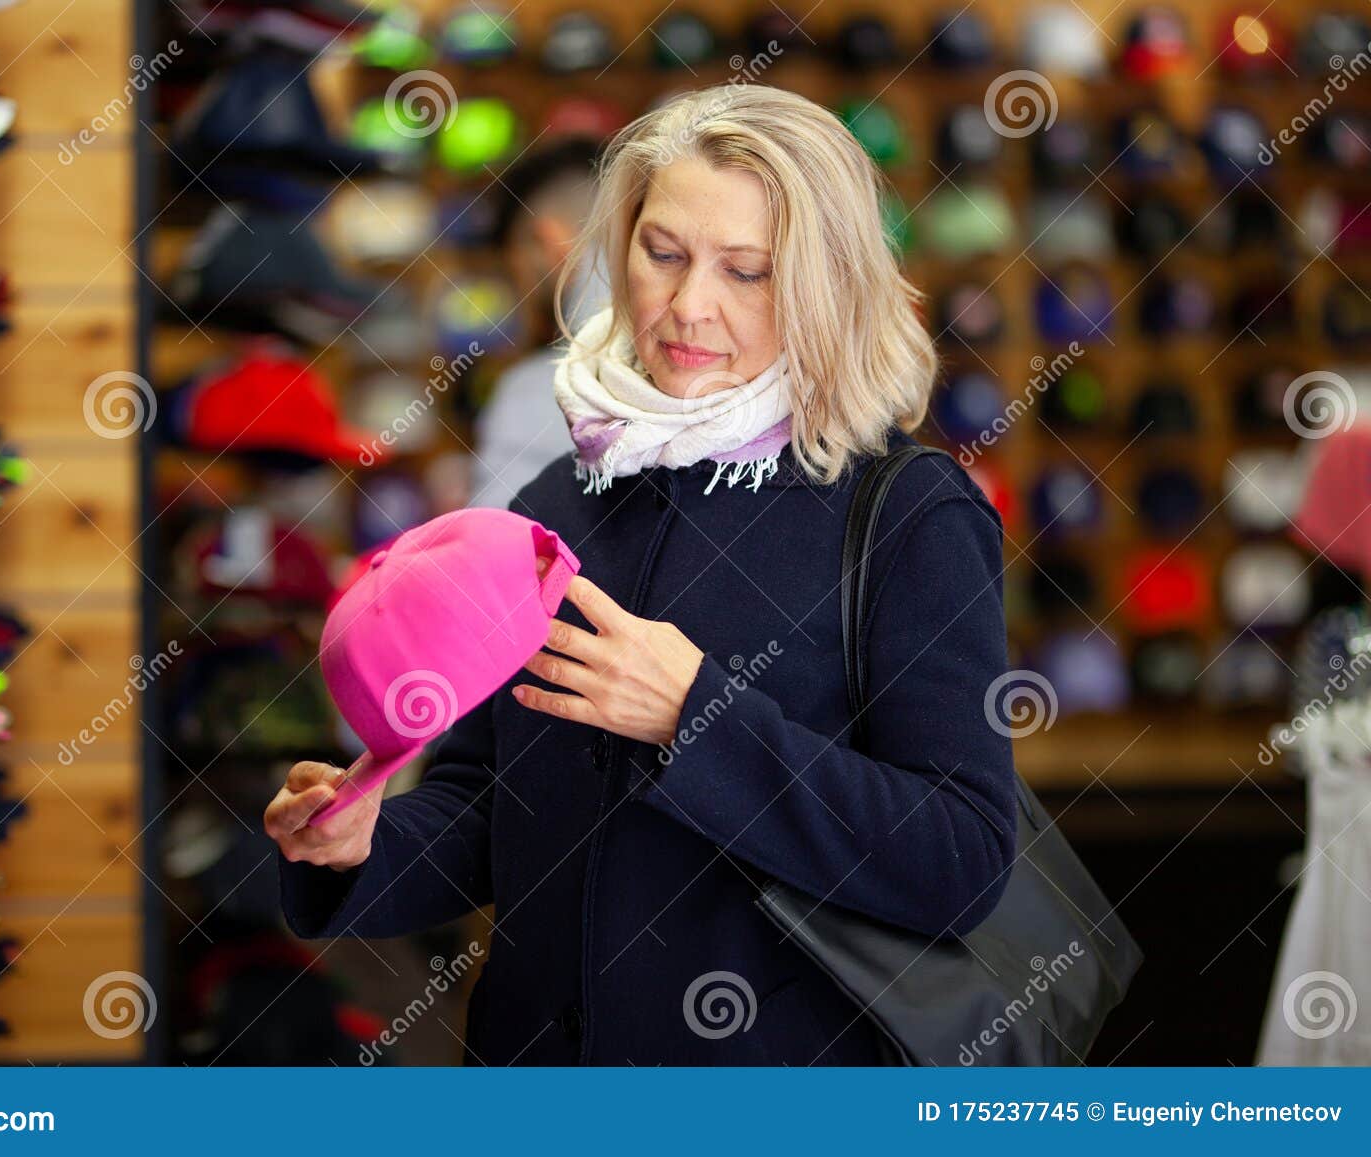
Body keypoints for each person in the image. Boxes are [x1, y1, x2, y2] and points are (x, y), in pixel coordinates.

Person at [267, 85, 1019, 1065]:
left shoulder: (906, 513)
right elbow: (486, 805)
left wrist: (694, 714)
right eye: (662, 252)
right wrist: (360, 840)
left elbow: (958, 860)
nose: (687, 305)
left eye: (746, 272)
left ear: (825, 283)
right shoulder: (559, 497)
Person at [470, 136, 605, 510]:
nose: (519, 298)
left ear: (546, 242)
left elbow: (493, 555)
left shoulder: (537, 392)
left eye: (514, 274)